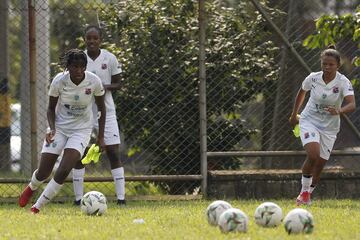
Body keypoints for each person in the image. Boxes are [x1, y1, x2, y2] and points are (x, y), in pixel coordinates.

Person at [18, 49, 106, 213]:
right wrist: (52, 128)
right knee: (44, 171)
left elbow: (102, 109)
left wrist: (101, 137)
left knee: (64, 169)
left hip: (81, 130)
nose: (79, 71)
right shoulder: (59, 81)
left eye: (82, 67)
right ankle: (32, 187)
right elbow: (51, 109)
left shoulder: (94, 81)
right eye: (75, 67)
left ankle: (37, 207)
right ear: (68, 67)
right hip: (60, 128)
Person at [289, 45, 355, 206]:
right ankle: (303, 192)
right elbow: (302, 92)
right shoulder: (313, 78)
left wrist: (338, 110)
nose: (327, 67)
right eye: (324, 63)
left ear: (337, 66)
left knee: (319, 164)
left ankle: (308, 193)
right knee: (313, 155)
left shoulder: (343, 82)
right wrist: (294, 114)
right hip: (309, 120)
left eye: (331, 64)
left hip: (330, 128)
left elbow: (352, 104)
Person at [72, 25, 126, 206]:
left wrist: (102, 87)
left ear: (100, 40)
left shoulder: (109, 58)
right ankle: (78, 199)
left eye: (95, 38)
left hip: (107, 112)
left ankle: (121, 199)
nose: (92, 41)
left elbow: (118, 84)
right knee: (79, 154)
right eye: (89, 38)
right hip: (84, 113)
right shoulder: (79, 59)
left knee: (113, 152)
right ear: (84, 39)